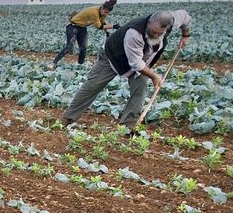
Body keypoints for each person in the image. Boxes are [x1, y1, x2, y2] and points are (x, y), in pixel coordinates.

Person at [61, 9, 191, 133]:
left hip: (142, 60)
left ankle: (128, 126)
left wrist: (186, 34)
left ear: (168, 28)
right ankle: (67, 119)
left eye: (159, 33)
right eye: (152, 31)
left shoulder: (172, 20)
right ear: (149, 22)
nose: (155, 35)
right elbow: (136, 64)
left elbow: (185, 16)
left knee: (140, 88)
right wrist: (154, 76)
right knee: (92, 85)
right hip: (113, 56)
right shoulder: (134, 33)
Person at [49, 0, 117, 70]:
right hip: (73, 26)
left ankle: (80, 65)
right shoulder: (94, 12)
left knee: (83, 48)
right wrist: (114, 26)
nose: (106, 14)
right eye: (105, 12)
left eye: (108, 13)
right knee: (69, 47)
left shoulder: (103, 13)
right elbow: (99, 27)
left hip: (82, 27)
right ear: (102, 8)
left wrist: (107, 33)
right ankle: (53, 63)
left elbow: (103, 23)